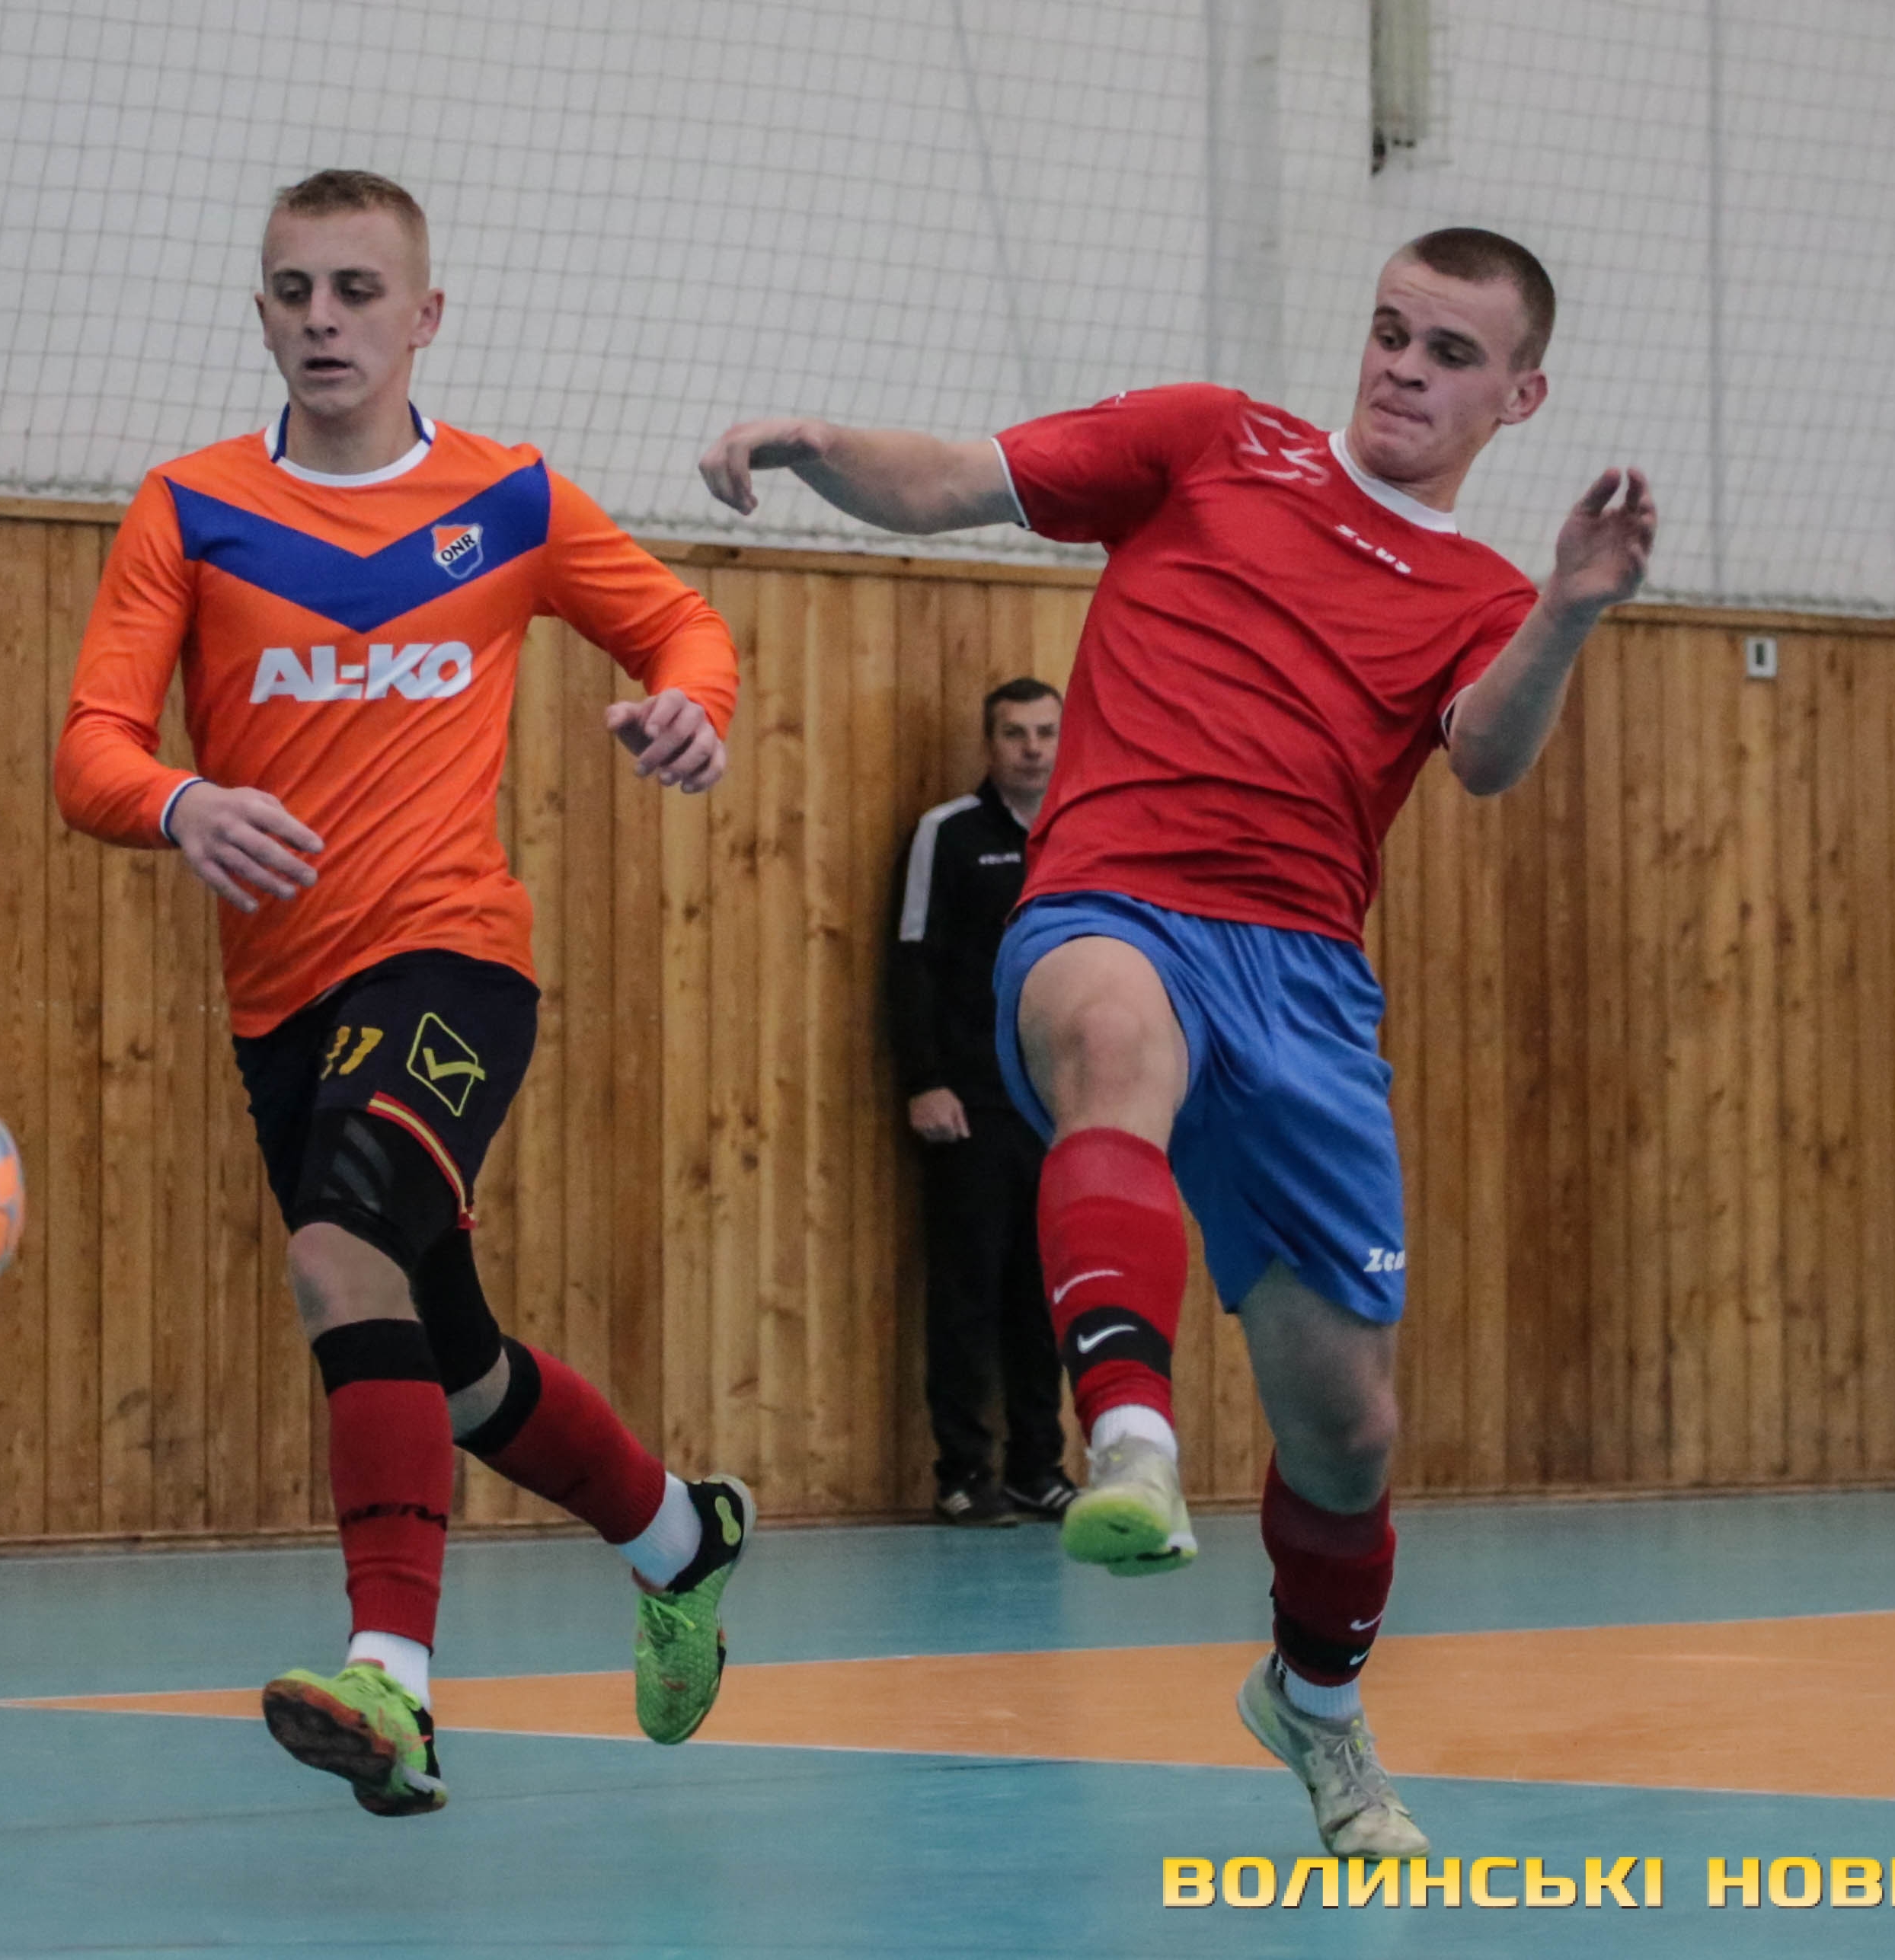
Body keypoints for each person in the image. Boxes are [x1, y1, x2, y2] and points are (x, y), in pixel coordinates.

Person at [698, 228, 1655, 1855]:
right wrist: (812, 442)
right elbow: (956, 481)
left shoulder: (1481, 595)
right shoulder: (1211, 441)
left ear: (1519, 395)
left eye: (1448, 353)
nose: (1402, 367)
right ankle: (1128, 1433)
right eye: (1389, 330)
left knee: (1346, 1432)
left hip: (1302, 984)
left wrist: (1564, 610)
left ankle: (1315, 1701)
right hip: (1111, 899)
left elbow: (1488, 758)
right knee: (1106, 1042)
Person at [57, 169, 753, 1819]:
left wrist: (690, 709)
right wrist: (178, 800)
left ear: (424, 315)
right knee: (453, 1366)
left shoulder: (508, 499)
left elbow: (683, 630)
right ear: (259, 312)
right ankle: (680, 1535)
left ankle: (394, 1680)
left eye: (358, 291)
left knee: (336, 1249)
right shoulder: (190, 508)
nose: (324, 321)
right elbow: (91, 747)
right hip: (280, 1006)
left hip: (452, 956)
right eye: (294, 290)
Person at [892, 678, 1075, 1526]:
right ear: (989, 743)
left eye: (1046, 732)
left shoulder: (1085, 831)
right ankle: (964, 1473)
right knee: (967, 1294)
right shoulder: (948, 833)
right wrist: (924, 1080)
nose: (1033, 748)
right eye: (1015, 733)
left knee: (1047, 1294)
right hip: (970, 1104)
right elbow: (912, 961)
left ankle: (1040, 1467)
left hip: (1060, 1106)